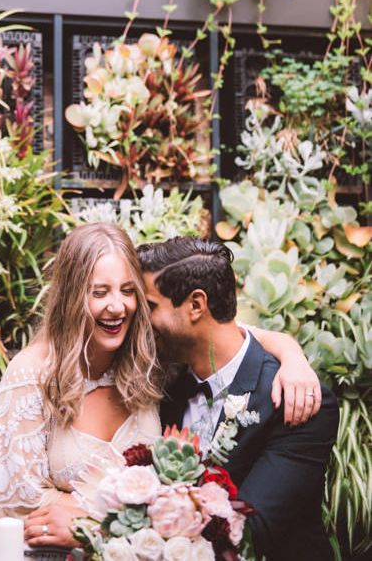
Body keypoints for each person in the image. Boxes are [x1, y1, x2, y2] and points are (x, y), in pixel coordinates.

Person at [0, 224, 321, 549]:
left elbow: (220, 331)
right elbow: (20, 501)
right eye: (99, 292)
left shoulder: (149, 360)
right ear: (72, 298)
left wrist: (291, 353)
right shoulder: (32, 373)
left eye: (129, 292)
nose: (117, 306)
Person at [138, 237, 339, 561]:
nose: (140, 321)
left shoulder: (295, 403)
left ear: (196, 305)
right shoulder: (165, 386)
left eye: (150, 306)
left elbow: (250, 533)